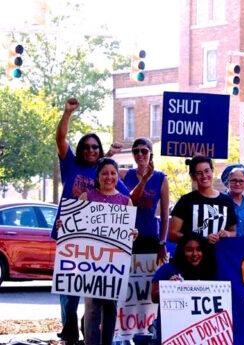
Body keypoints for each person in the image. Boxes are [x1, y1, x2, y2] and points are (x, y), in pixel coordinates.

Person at [53, 98, 128, 345]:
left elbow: (125, 203)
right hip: (72, 238)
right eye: (86, 146)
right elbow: (61, 139)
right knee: (70, 293)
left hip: (102, 247)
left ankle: (88, 332)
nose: (90, 150)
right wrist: (67, 114)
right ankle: (69, 334)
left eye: (95, 147)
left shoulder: (105, 174)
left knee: (96, 295)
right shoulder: (71, 164)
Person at [76, 158, 136, 345]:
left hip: (114, 263)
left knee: (110, 308)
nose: (109, 177)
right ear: (98, 176)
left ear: (117, 176)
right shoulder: (86, 198)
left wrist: (134, 233)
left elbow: (129, 234)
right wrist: (65, 225)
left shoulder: (126, 201)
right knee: (92, 308)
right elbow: (76, 228)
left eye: (113, 173)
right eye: (104, 173)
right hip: (91, 262)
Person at [151, 233, 215, 344]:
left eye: (199, 250)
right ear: (182, 251)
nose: (195, 254)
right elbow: (154, 297)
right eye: (189, 250)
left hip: (201, 336)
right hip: (172, 335)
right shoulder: (168, 269)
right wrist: (168, 288)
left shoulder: (208, 271)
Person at [120, 138, 169, 263]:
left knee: (148, 277)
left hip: (150, 234)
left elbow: (164, 215)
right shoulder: (124, 175)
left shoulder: (161, 178)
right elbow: (131, 202)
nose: (140, 154)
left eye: (144, 151)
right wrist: (144, 180)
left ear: (151, 154)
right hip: (127, 234)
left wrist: (162, 242)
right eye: (136, 151)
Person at [168, 155, 236, 243]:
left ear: (212, 171)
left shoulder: (226, 201)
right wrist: (202, 239)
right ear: (193, 177)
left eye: (207, 171)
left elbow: (234, 231)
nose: (204, 176)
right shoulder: (185, 201)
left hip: (219, 255)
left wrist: (228, 234)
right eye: (199, 173)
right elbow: (173, 234)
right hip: (192, 255)